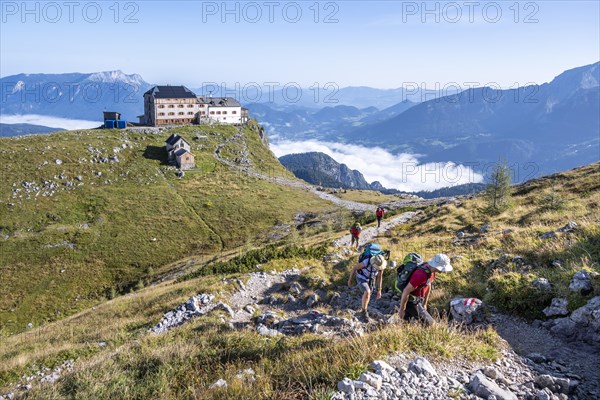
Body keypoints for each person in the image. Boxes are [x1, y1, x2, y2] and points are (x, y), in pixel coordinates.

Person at [397, 253, 453, 325]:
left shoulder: (431, 271)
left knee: (407, 321)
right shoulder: (421, 275)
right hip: (412, 301)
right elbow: (406, 291)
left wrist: (425, 303)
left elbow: (428, 285)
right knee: (431, 325)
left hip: (419, 300)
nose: (444, 271)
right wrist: (402, 309)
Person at [347, 252, 387, 321]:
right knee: (367, 292)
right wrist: (350, 280)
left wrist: (379, 290)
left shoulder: (381, 266)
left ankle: (364, 307)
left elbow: (379, 277)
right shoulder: (366, 262)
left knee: (368, 294)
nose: (378, 268)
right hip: (361, 277)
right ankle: (364, 312)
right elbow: (354, 268)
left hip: (371, 279)